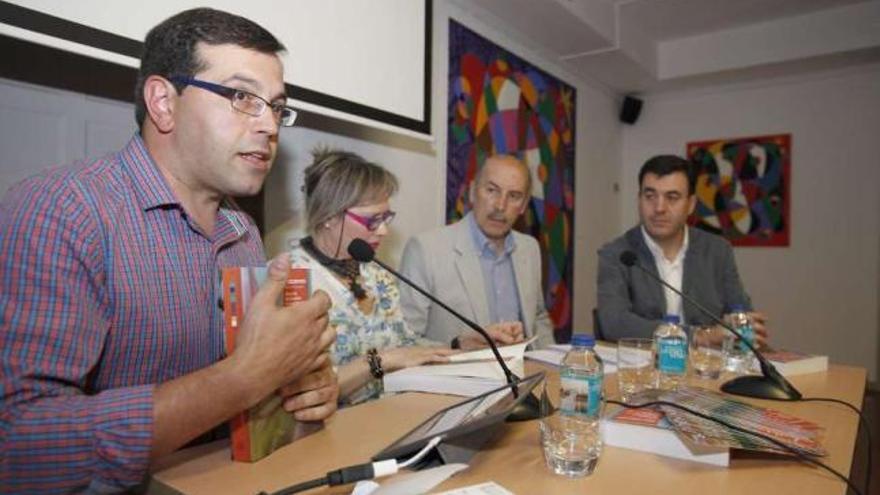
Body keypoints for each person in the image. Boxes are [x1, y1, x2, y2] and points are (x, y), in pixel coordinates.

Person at [0, 9, 338, 493]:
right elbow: (16, 441)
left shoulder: (242, 232)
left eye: (277, 106)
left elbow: (252, 405)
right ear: (163, 102)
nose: (269, 126)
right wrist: (240, 380)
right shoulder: (61, 213)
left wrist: (300, 389)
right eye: (242, 97)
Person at [293, 148, 455, 405]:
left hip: (390, 419)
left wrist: (459, 347)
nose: (383, 230)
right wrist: (381, 361)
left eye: (387, 217)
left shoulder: (375, 273)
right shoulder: (293, 283)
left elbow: (405, 345)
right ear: (329, 217)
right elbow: (305, 394)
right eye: (372, 220)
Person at [596, 154, 769, 344]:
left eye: (672, 197)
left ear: (691, 204)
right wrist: (699, 336)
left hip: (706, 367)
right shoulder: (617, 254)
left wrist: (743, 324)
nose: (659, 207)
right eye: (650, 196)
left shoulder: (717, 251)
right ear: (639, 199)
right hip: (642, 367)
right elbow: (614, 323)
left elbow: (741, 314)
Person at [399, 154, 554, 350]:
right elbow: (402, 340)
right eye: (492, 190)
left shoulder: (529, 248)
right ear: (472, 192)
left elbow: (538, 317)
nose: (500, 206)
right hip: (457, 376)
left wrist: (552, 366)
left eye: (514, 196)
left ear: (523, 205)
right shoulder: (426, 250)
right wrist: (457, 346)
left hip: (525, 375)